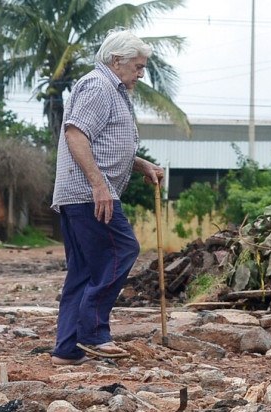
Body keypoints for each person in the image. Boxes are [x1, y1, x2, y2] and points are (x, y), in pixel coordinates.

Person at [50, 29, 164, 366]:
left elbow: (105, 142)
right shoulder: (98, 86)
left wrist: (140, 164)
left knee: (84, 269)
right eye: (138, 67)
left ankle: (68, 349)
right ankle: (93, 333)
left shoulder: (112, 89)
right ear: (116, 60)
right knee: (123, 249)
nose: (141, 74)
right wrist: (99, 185)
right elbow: (76, 135)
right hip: (89, 193)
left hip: (81, 191)